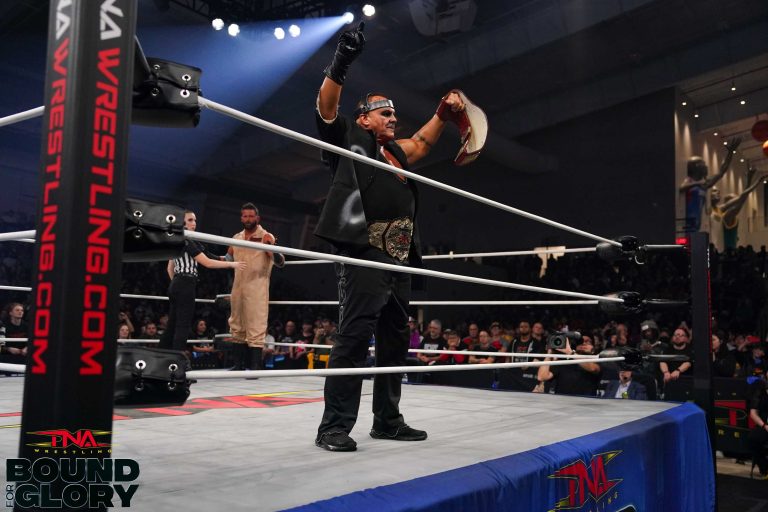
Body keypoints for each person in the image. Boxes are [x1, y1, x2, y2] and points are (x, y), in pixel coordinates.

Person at [313, 22, 468, 452]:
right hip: (364, 252)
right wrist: (341, 60)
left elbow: (421, 143)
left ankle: (388, 420)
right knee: (353, 337)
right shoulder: (349, 138)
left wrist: (443, 113)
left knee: (395, 341)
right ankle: (333, 427)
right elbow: (326, 107)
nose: (394, 119)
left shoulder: (396, 151)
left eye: (395, 114)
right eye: (385, 113)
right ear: (365, 118)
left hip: (399, 257)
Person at [159, 211, 245, 352]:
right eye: (190, 220)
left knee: (172, 325)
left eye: (195, 220)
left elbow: (170, 268)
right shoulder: (187, 240)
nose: (194, 223)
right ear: (182, 222)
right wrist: (232, 264)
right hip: (185, 283)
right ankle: (177, 359)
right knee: (182, 326)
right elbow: (207, 263)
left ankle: (162, 355)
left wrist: (228, 258)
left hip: (176, 284)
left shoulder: (177, 240)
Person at [226, 202, 284, 371]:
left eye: (251, 216)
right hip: (238, 287)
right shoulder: (236, 238)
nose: (248, 219)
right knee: (236, 324)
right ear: (241, 218)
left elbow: (280, 262)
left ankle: (255, 366)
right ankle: (238, 365)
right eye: (245, 216)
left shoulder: (266, 236)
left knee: (256, 326)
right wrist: (205, 256)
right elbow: (228, 259)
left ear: (257, 218)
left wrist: (272, 248)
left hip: (257, 287)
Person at [679, 137, 740, 234]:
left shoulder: (705, 184)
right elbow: (681, 189)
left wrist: (730, 152)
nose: (706, 166)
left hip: (697, 224)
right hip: (686, 223)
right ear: (696, 166)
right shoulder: (689, 181)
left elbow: (722, 171)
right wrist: (697, 184)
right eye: (703, 164)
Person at [710, 166, 768, 250]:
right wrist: (753, 181)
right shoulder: (726, 216)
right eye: (715, 191)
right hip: (721, 249)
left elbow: (742, 197)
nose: (718, 193)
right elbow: (742, 198)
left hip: (723, 249)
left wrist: (751, 181)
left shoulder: (721, 211)